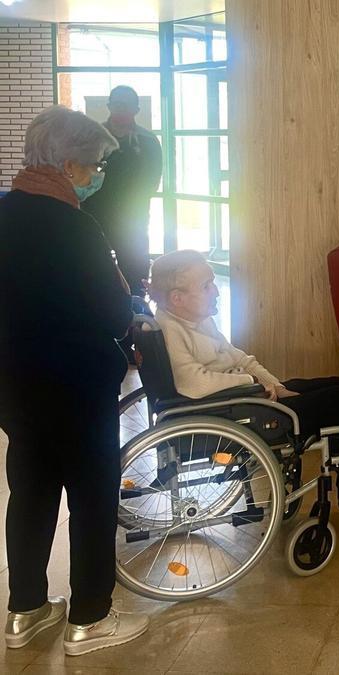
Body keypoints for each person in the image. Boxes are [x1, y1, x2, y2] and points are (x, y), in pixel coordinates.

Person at [0, 106, 149, 656]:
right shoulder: (74, 225)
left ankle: (26, 610)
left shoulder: (3, 211)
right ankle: (89, 618)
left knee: (31, 492)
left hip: (13, 385)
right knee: (91, 498)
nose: (95, 177)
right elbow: (112, 312)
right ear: (67, 165)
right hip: (76, 384)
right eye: (92, 167)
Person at [149, 250, 339, 524]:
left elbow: (241, 359)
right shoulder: (171, 330)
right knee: (335, 402)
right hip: (231, 409)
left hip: (245, 398)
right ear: (177, 298)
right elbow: (193, 383)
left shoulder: (198, 320)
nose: (216, 290)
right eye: (206, 286)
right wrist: (252, 384)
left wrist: (272, 384)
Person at [81, 86, 163, 300]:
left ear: (136, 109)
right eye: (117, 105)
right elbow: (81, 173)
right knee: (94, 263)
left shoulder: (148, 141)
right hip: (96, 213)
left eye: (126, 106)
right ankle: (97, 307)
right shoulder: (93, 139)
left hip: (132, 217)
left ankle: (136, 313)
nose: (121, 111)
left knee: (134, 265)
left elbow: (153, 180)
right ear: (109, 106)